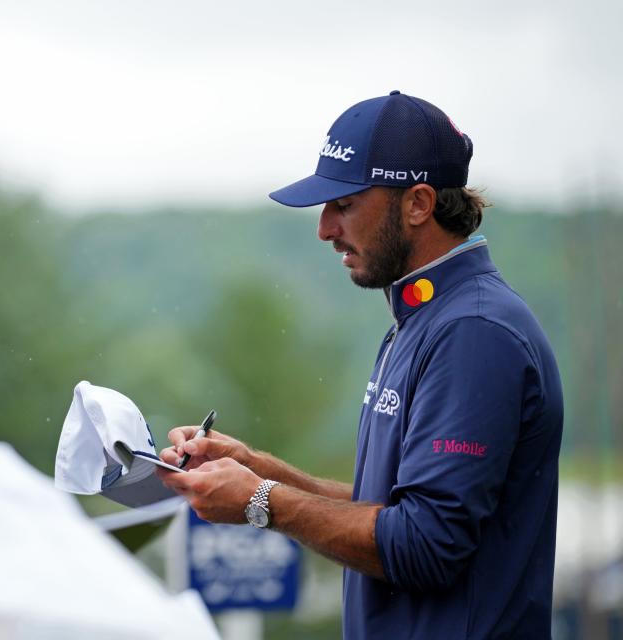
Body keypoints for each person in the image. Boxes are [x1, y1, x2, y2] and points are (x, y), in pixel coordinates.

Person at [156, 91, 563, 639]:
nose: (324, 229)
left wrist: (259, 502)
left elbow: (425, 545)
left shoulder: (473, 332)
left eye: (343, 204)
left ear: (417, 204)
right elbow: (386, 512)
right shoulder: (425, 316)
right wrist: (258, 471)